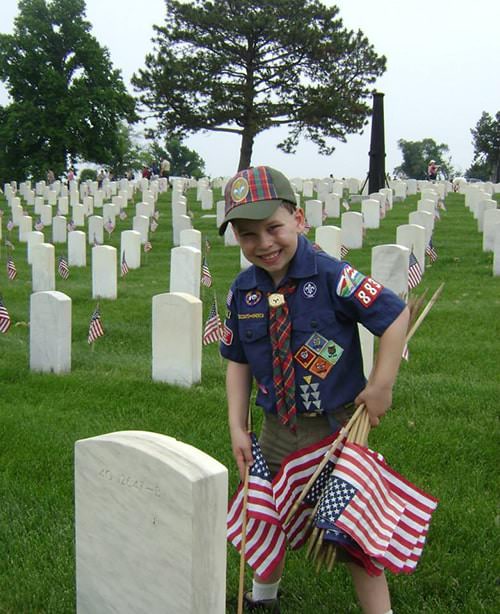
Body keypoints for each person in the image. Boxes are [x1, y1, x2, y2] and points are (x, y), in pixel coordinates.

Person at [219, 166, 409, 614]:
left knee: (351, 529)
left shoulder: (331, 275)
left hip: (337, 431)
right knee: (267, 513)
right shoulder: (243, 291)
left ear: (299, 220)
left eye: (273, 228)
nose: (263, 244)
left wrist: (381, 386)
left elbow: (395, 316)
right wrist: (235, 424)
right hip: (275, 430)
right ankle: (263, 598)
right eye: (248, 235)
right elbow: (237, 361)